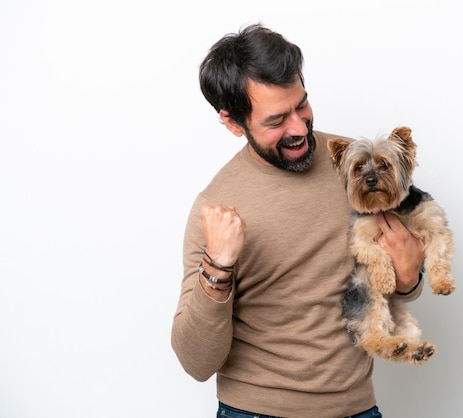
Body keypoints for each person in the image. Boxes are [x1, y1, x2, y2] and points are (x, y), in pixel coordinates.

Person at [171, 23, 425, 418]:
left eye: (301, 105)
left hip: (357, 408)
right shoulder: (216, 207)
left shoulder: (357, 168)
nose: (298, 127)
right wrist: (217, 267)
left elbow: (389, 280)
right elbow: (196, 362)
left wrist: (410, 279)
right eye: (276, 120)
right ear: (233, 122)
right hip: (254, 411)